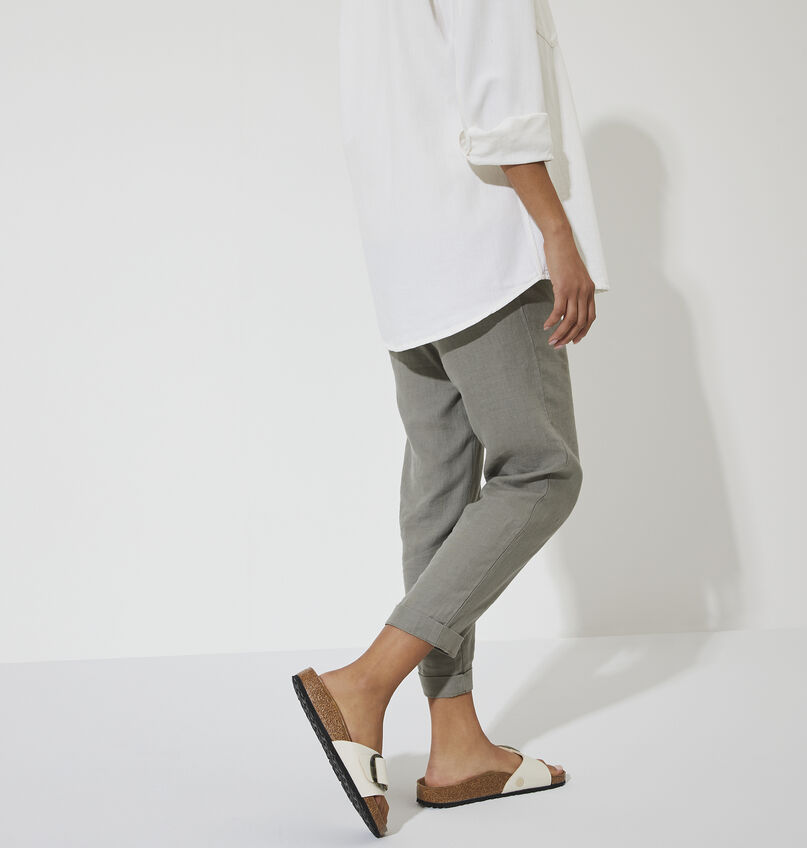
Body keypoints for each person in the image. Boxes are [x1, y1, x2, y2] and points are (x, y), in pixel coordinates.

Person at [293, 0, 610, 836]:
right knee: (541, 471)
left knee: (440, 490)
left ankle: (458, 744)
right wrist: (555, 228)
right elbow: (501, 107)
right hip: (485, 245)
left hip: (407, 252)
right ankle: (364, 683)